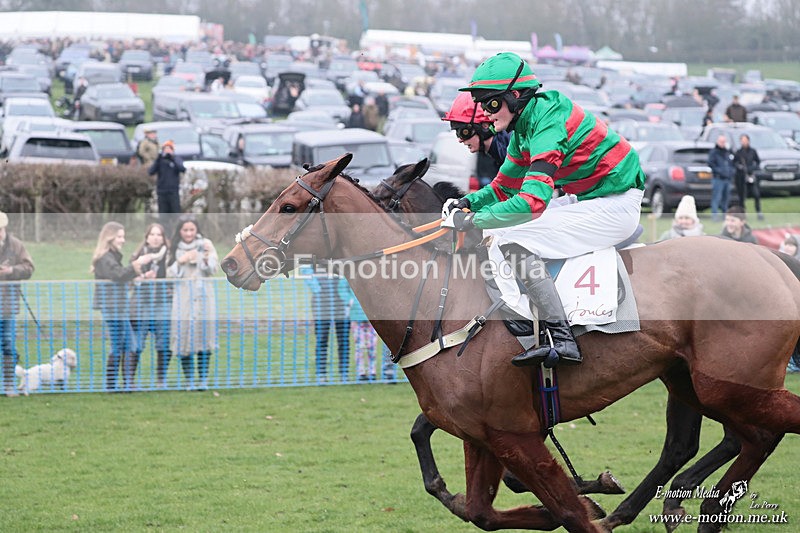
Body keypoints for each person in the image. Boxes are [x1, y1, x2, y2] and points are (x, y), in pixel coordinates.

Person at [442, 52, 646, 368]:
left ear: (515, 96)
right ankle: (529, 320)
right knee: (500, 234)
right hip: (593, 199)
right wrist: (468, 203)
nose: (485, 113)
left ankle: (562, 339)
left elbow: (532, 204)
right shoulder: (524, 128)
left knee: (512, 239)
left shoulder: (548, 122)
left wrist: (474, 221)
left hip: (616, 205)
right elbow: (503, 187)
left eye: (490, 104)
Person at [91, 221, 153, 392]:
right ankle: (117, 385)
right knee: (123, 345)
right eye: (119, 236)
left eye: (123, 236)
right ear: (109, 237)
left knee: (125, 345)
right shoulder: (105, 258)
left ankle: (122, 384)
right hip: (112, 307)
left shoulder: (111, 257)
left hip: (117, 306)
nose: (123, 240)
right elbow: (118, 275)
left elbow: (119, 278)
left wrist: (136, 278)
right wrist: (136, 265)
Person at [167, 216, 218, 391]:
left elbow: (213, 269)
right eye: (185, 230)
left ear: (196, 230)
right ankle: (189, 380)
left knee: (204, 337)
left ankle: (203, 379)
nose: (188, 233)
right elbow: (169, 274)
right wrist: (182, 260)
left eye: (191, 230)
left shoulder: (206, 244)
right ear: (180, 231)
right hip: (183, 298)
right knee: (184, 337)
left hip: (204, 297)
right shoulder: (174, 248)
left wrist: (205, 257)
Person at [130, 223, 172, 389]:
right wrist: (141, 278)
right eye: (152, 234)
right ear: (147, 237)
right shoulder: (137, 256)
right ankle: (130, 381)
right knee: (137, 343)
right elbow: (128, 279)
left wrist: (167, 285)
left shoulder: (169, 256)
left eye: (159, 235)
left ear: (163, 238)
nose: (155, 238)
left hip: (163, 303)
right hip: (142, 304)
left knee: (164, 342)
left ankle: (161, 379)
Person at [443, 91, 510, 187]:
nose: (460, 140)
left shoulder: (511, 149)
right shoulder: (499, 152)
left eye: (463, 132)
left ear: (485, 126)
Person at [0, 211, 34, 397]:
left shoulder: (16, 245)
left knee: (8, 343)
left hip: (8, 304)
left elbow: (29, 268)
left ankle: (9, 384)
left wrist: (11, 271)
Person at [301, 265, 350, 383]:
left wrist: (344, 293)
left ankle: (344, 374)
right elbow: (305, 270)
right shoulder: (313, 257)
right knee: (321, 339)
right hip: (321, 304)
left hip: (341, 303)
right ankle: (321, 374)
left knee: (343, 340)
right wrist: (318, 290)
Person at [338, 280, 377, 381]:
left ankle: (372, 372)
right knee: (359, 346)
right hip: (356, 316)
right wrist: (350, 301)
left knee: (372, 346)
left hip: (371, 317)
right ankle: (361, 372)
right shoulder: (349, 276)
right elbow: (341, 288)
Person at [147, 139, 186, 226]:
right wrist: (159, 159)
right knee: (163, 217)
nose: (167, 151)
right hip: (162, 192)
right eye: (165, 149)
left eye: (169, 149)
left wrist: (172, 158)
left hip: (173, 192)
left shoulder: (176, 159)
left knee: (175, 215)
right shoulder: (160, 160)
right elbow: (151, 171)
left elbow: (182, 169)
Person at [734, 134, 763, 221]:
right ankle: (742, 214)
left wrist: (753, 168)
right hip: (742, 177)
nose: (744, 142)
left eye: (745, 140)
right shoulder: (738, 152)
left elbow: (758, 162)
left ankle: (759, 211)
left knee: (756, 194)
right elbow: (734, 163)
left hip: (751, 176)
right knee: (742, 197)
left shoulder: (753, 151)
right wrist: (740, 167)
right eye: (742, 141)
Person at [707, 134, 735, 221]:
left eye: (724, 141)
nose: (722, 143)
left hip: (727, 179)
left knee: (725, 199)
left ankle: (725, 216)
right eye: (721, 141)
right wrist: (720, 171)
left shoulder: (727, 152)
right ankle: (714, 216)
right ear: (717, 142)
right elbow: (711, 163)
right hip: (718, 179)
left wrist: (731, 172)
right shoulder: (714, 152)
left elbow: (732, 163)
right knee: (716, 198)